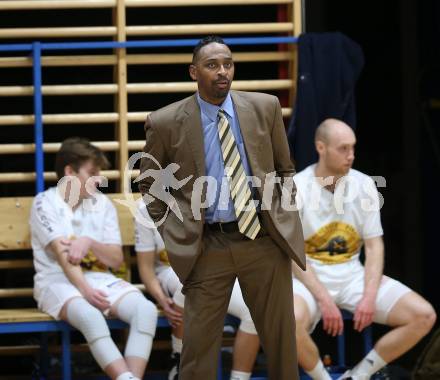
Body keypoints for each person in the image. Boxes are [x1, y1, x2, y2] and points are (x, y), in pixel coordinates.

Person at [138, 35, 306, 380]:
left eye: (227, 63)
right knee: (198, 352)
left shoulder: (265, 107)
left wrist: (281, 215)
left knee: (281, 343)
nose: (222, 71)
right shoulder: (166, 121)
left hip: (262, 241)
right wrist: (176, 231)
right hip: (207, 246)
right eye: (212, 65)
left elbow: (284, 169)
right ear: (193, 72)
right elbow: (150, 185)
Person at [292, 118, 437, 380]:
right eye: (343, 149)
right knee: (288, 322)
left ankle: (358, 376)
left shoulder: (364, 185)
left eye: (353, 148)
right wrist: (324, 299)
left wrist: (369, 296)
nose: (351, 156)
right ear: (320, 147)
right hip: (307, 280)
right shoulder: (297, 187)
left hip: (351, 277)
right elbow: (292, 254)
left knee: (423, 315)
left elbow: (374, 245)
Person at [30, 137, 158, 380]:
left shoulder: (102, 204)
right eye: (92, 172)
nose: (98, 178)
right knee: (90, 316)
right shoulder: (44, 203)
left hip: (99, 278)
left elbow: (116, 260)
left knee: (146, 310)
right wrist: (86, 291)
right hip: (54, 281)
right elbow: (63, 255)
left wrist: (89, 242)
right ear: (69, 172)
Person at [134, 198, 260, 380]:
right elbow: (145, 268)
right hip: (169, 271)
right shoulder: (145, 206)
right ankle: (178, 359)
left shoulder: (204, 196)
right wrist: (162, 300)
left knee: (253, 309)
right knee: (192, 284)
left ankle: (239, 377)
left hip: (212, 270)